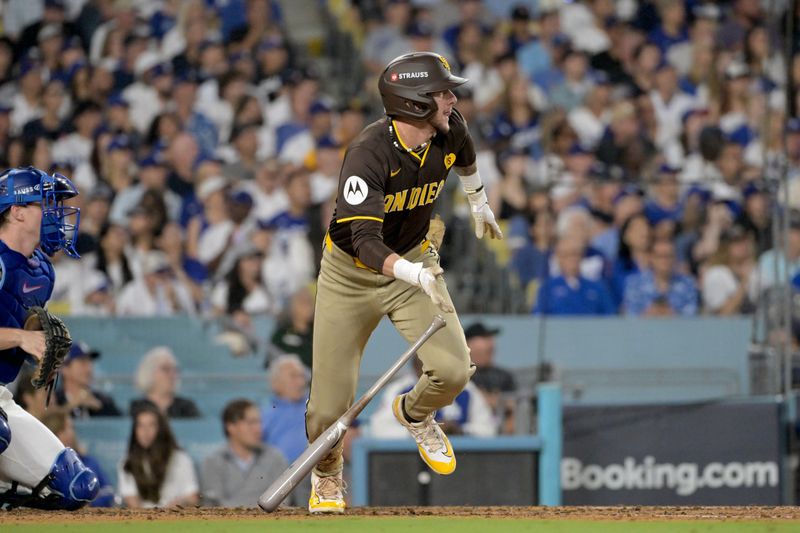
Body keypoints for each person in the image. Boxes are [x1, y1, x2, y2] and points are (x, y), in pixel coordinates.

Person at [305, 52, 502, 513]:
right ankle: (328, 472)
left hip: (413, 259)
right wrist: (416, 273)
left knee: (454, 373)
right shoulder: (367, 154)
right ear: (413, 103)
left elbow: (467, 155)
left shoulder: (450, 128)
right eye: (442, 93)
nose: (453, 99)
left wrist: (477, 201)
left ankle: (413, 413)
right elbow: (365, 242)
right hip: (350, 274)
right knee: (327, 410)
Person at [0, 166, 99, 510]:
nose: (57, 213)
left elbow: (15, 336)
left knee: (77, 486)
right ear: (17, 211)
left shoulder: (43, 271)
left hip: (1, 398)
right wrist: (22, 339)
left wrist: (36, 345)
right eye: (47, 203)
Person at [369, 355, 496, 438]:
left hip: (460, 458)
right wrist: (424, 432)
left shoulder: (466, 389)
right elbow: (378, 429)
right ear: (415, 365)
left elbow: (489, 430)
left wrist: (461, 431)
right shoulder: (399, 389)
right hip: (411, 459)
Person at [201, 399, 291, 507]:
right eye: (251, 423)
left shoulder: (276, 458)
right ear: (231, 427)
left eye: (259, 422)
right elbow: (213, 504)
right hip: (226, 523)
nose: (258, 429)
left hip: (270, 522)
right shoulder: (213, 462)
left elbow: (283, 501)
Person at [118, 402, 199, 508]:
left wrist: (179, 505)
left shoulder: (181, 459)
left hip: (175, 518)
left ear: (161, 429)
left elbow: (192, 497)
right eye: (140, 426)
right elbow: (131, 500)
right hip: (142, 521)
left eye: (151, 425)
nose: (145, 431)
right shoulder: (127, 462)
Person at [39, 408, 115, 507]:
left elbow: (108, 491)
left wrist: (88, 503)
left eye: (72, 428)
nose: (71, 433)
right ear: (53, 433)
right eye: (67, 428)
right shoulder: (42, 468)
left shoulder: (87, 462)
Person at [534, 236, 616, 315]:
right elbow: (539, 318)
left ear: (582, 256)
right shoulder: (548, 287)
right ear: (558, 258)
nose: (571, 258)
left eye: (575, 254)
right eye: (566, 254)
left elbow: (609, 317)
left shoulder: (597, 287)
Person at [464, 322, 517, 434]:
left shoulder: (503, 376)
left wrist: (496, 402)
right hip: (468, 432)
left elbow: (514, 405)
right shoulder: (460, 375)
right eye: (485, 338)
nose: (491, 344)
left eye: (490, 339)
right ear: (469, 344)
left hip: (499, 433)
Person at [624, 239, 699, 316]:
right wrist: (647, 314)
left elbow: (692, 315)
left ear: (674, 258)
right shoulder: (635, 284)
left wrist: (673, 315)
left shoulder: (688, 284)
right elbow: (630, 314)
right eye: (660, 256)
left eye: (669, 256)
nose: (665, 260)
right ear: (651, 258)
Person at [261, 355, 308, 465]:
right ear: (275, 383)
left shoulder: (318, 407)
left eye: (302, 376)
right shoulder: (263, 416)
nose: (301, 382)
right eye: (293, 376)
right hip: (280, 476)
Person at [129, 346, 201, 419]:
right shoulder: (137, 407)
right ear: (149, 372)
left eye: (175, 370)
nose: (172, 375)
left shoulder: (187, 407)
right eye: (166, 369)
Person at [55, 341, 122, 418]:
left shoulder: (102, 400)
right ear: (65, 369)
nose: (89, 369)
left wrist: (101, 408)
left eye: (90, 363)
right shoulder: (53, 401)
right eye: (82, 363)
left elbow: (119, 422)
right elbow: (45, 422)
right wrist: (71, 406)